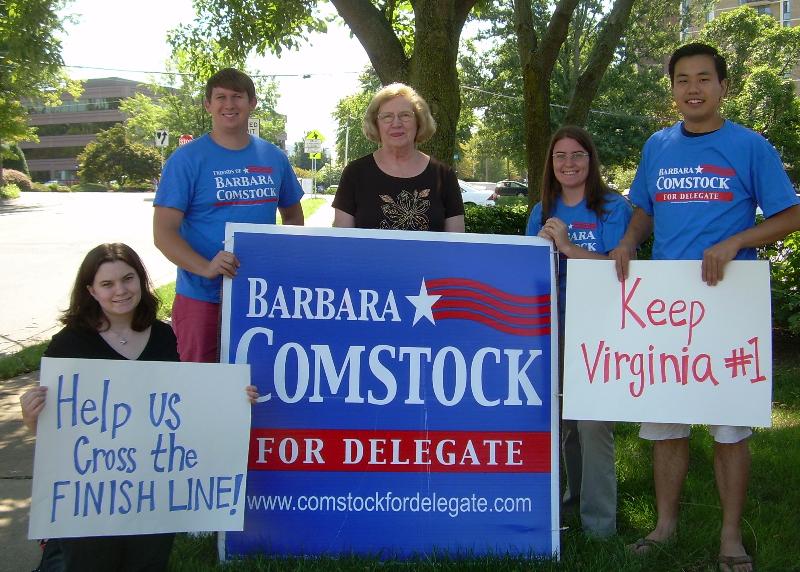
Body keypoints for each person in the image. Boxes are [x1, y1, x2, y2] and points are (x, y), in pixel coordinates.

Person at [610, 43, 800, 572]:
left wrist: (736, 240)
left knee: (728, 425)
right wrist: (628, 241)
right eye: (682, 80)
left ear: (722, 86)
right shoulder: (657, 147)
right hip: (667, 305)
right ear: (671, 88)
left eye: (703, 79)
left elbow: (790, 215)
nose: (692, 88)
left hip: (727, 301)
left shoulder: (750, 147)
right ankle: (664, 526)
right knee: (667, 422)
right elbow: (643, 209)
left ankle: (730, 537)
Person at [19, 243, 259, 571]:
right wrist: (33, 417)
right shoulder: (69, 343)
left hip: (152, 489)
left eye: (128, 279)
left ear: (141, 281)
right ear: (90, 291)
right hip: (92, 498)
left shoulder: (162, 335)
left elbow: (180, 405)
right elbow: (53, 432)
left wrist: (231, 400)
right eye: (107, 284)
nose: (120, 290)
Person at [153, 68, 305, 364]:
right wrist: (206, 267)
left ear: (253, 103)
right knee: (200, 388)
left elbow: (292, 214)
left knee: (258, 382)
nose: (229, 104)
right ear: (207, 105)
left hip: (260, 298)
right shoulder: (186, 159)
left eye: (237, 96)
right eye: (220, 97)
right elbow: (164, 233)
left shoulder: (273, 157)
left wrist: (281, 257)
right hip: (202, 298)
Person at [525, 125, 632, 538]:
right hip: (550, 322)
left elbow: (620, 270)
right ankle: (572, 499)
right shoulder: (542, 209)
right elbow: (529, 268)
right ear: (551, 164)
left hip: (599, 323)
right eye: (560, 156)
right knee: (562, 418)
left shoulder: (610, 207)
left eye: (577, 155)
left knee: (592, 422)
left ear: (591, 160)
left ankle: (600, 525)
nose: (568, 163)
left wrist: (568, 248)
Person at [332, 83, 465, 231]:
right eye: (387, 117)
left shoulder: (444, 176)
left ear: (419, 122)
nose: (396, 123)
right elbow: (343, 245)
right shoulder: (355, 173)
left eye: (405, 115)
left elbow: (456, 244)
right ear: (376, 124)